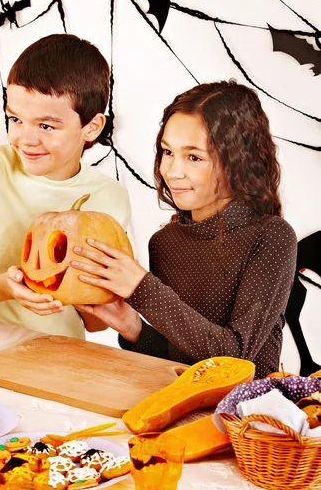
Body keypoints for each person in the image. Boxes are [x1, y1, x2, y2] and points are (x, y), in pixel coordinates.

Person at [71, 80, 297, 378]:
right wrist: (131, 326)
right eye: (167, 152)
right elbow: (181, 360)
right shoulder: (164, 243)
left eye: (193, 157)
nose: (172, 172)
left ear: (238, 162)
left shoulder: (271, 236)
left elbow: (233, 359)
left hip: (247, 415)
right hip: (179, 403)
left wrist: (141, 288)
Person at [0, 34, 131, 339]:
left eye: (46, 126)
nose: (26, 139)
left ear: (91, 127)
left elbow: (96, 322)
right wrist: (6, 288)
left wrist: (108, 293)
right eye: (15, 119)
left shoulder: (109, 197)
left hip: (58, 355)